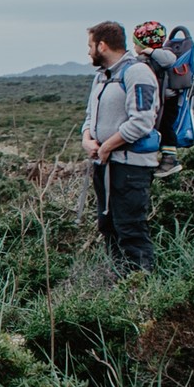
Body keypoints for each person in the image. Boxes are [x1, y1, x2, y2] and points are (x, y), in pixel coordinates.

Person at [81, 19, 160, 272]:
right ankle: (116, 282)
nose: (88, 51)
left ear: (102, 46)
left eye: (90, 45)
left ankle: (139, 290)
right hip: (105, 165)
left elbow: (142, 121)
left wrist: (107, 147)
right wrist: (87, 140)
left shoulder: (137, 73)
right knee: (109, 226)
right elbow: (89, 116)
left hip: (131, 168)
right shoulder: (101, 78)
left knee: (131, 229)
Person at [132, 20, 182, 178]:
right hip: (159, 101)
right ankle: (157, 159)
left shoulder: (164, 54)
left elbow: (169, 60)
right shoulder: (146, 60)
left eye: (136, 43)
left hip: (168, 103)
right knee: (158, 129)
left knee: (166, 128)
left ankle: (170, 160)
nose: (134, 47)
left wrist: (148, 51)